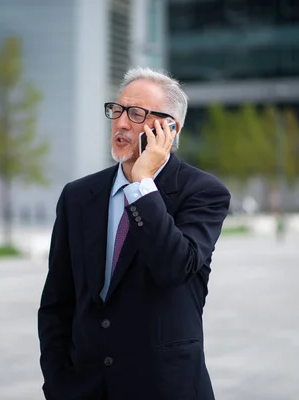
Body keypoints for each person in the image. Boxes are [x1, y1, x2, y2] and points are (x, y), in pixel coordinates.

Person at [37, 67, 231, 400]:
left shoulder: (202, 192)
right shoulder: (78, 196)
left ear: (170, 128)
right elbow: (57, 303)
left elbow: (174, 266)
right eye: (118, 110)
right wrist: (58, 384)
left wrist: (142, 185)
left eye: (137, 114)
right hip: (86, 390)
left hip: (165, 388)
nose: (122, 123)